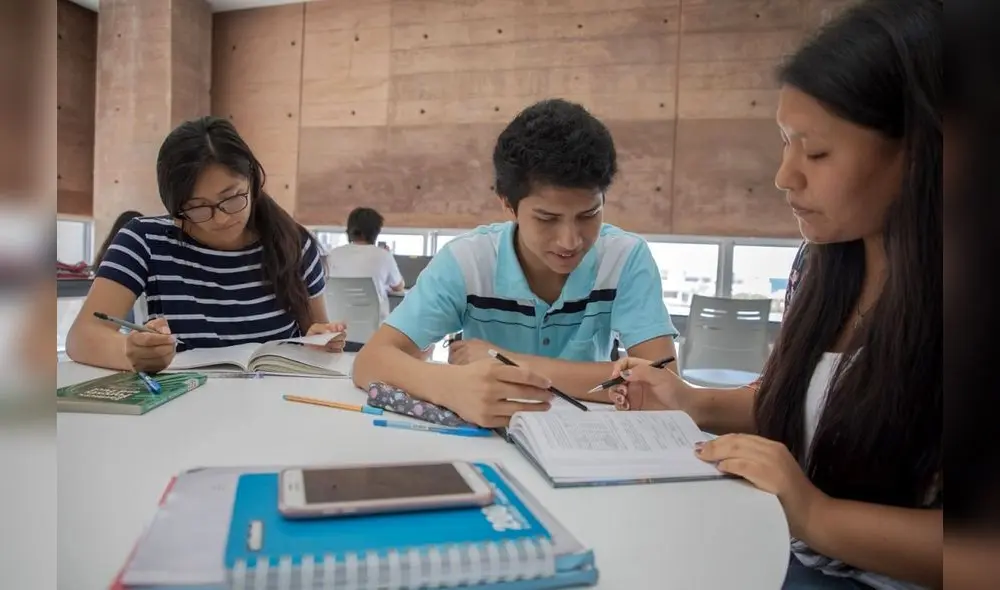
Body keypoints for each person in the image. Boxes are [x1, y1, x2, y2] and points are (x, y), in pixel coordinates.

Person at [610, 1, 942, 588]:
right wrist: (695, 402)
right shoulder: (821, 261)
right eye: (786, 143)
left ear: (920, 151)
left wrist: (814, 512)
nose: (785, 175)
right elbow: (823, 400)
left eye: (816, 151)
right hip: (780, 553)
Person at [353, 98, 678, 427]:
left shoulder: (625, 257)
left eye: (589, 215)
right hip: (486, 441)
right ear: (508, 205)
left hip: (586, 439)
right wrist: (450, 386)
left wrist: (505, 361)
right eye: (547, 218)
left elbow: (662, 386)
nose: (570, 240)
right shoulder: (467, 260)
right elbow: (370, 361)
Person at [66, 116, 346, 372]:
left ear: (252, 179)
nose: (222, 219)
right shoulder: (145, 240)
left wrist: (322, 340)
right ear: (174, 206)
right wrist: (131, 351)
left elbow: (315, 331)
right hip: (185, 403)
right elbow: (82, 336)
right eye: (198, 207)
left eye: (233, 198)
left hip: (278, 400)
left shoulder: (293, 243)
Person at [326, 207, 405, 321]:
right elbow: (399, 287)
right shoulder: (383, 255)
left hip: (338, 327)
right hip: (374, 329)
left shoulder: (333, 254)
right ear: (375, 232)